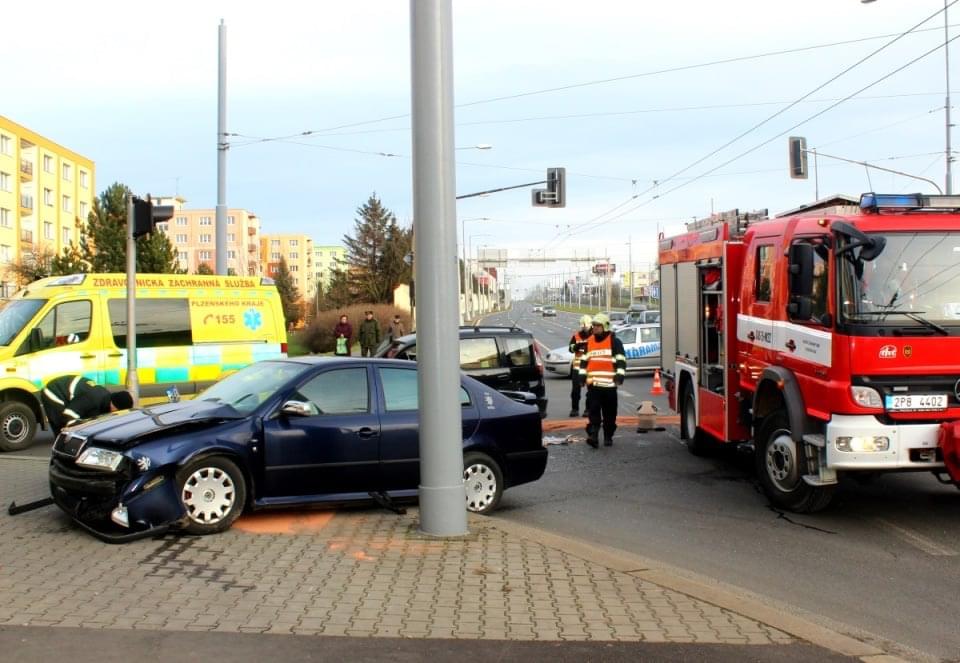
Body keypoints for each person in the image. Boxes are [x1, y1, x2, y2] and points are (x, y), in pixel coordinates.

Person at [577, 313, 626, 448]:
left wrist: (619, 376)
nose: (595, 328)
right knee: (593, 412)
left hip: (609, 386)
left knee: (610, 414)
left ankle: (608, 436)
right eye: (594, 326)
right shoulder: (590, 341)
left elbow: (621, 361)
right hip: (594, 386)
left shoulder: (614, 342)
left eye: (598, 326)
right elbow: (584, 361)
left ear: (605, 326)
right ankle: (593, 436)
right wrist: (581, 377)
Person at [41, 375, 134, 436]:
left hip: (71, 397)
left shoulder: (105, 400)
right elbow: (69, 415)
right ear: (115, 406)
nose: (116, 414)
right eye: (118, 412)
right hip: (55, 392)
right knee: (63, 431)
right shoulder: (93, 398)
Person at [567, 314, 593, 417]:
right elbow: (570, 348)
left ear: (590, 325)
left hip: (590, 367)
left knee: (590, 391)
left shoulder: (594, 336)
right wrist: (576, 347)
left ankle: (588, 409)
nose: (584, 328)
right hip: (577, 367)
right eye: (582, 326)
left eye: (585, 326)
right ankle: (575, 409)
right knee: (575, 390)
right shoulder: (576, 335)